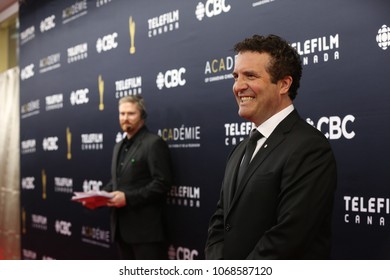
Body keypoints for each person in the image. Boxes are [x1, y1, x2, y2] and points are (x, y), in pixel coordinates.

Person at [205, 34, 337, 259]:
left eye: (250, 76)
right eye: (236, 76)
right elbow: (221, 220)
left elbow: (289, 236)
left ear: (284, 84)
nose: (238, 86)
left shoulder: (310, 148)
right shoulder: (239, 149)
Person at [90, 95, 173, 259]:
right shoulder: (118, 146)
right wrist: (98, 196)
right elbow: (117, 182)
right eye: (122, 114)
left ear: (142, 116)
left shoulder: (153, 143)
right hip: (121, 231)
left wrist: (127, 198)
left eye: (130, 114)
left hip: (146, 234)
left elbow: (162, 183)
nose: (125, 118)